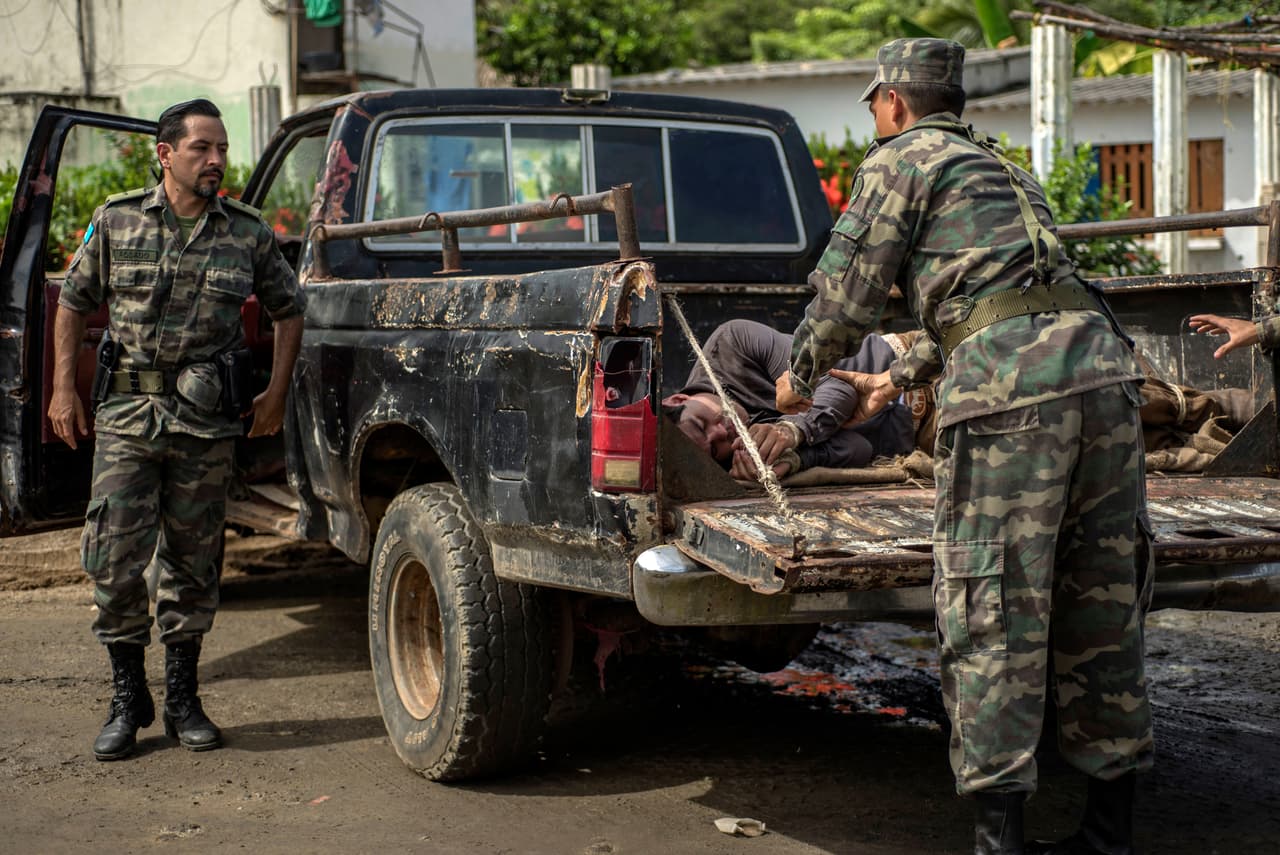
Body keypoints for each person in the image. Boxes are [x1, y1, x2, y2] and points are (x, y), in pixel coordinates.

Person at [778, 40, 1154, 854]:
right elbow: (1005, 290)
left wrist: (802, 370)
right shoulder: (1001, 167)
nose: (873, 115)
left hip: (1013, 400)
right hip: (1105, 376)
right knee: (1102, 598)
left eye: (873, 101)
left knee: (993, 605)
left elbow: (847, 291)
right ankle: (1108, 832)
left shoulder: (900, 157)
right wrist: (904, 370)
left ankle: (998, 842)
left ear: (896, 104)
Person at [47, 99, 307, 761]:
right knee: (111, 559)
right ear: (164, 154)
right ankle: (128, 695)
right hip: (127, 419)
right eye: (202, 148)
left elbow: (289, 309)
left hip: (204, 423)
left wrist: (275, 392)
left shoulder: (246, 232)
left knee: (194, 566)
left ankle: (184, 697)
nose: (216, 160)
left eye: (221, 148)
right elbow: (73, 301)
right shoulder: (117, 219)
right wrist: (60, 389)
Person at [662, 319, 914, 479]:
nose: (719, 434)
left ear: (678, 399)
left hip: (914, 367)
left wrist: (790, 429)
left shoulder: (732, 345)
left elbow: (838, 385)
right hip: (917, 438)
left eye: (700, 423)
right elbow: (859, 446)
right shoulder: (743, 457)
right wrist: (797, 459)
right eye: (715, 450)